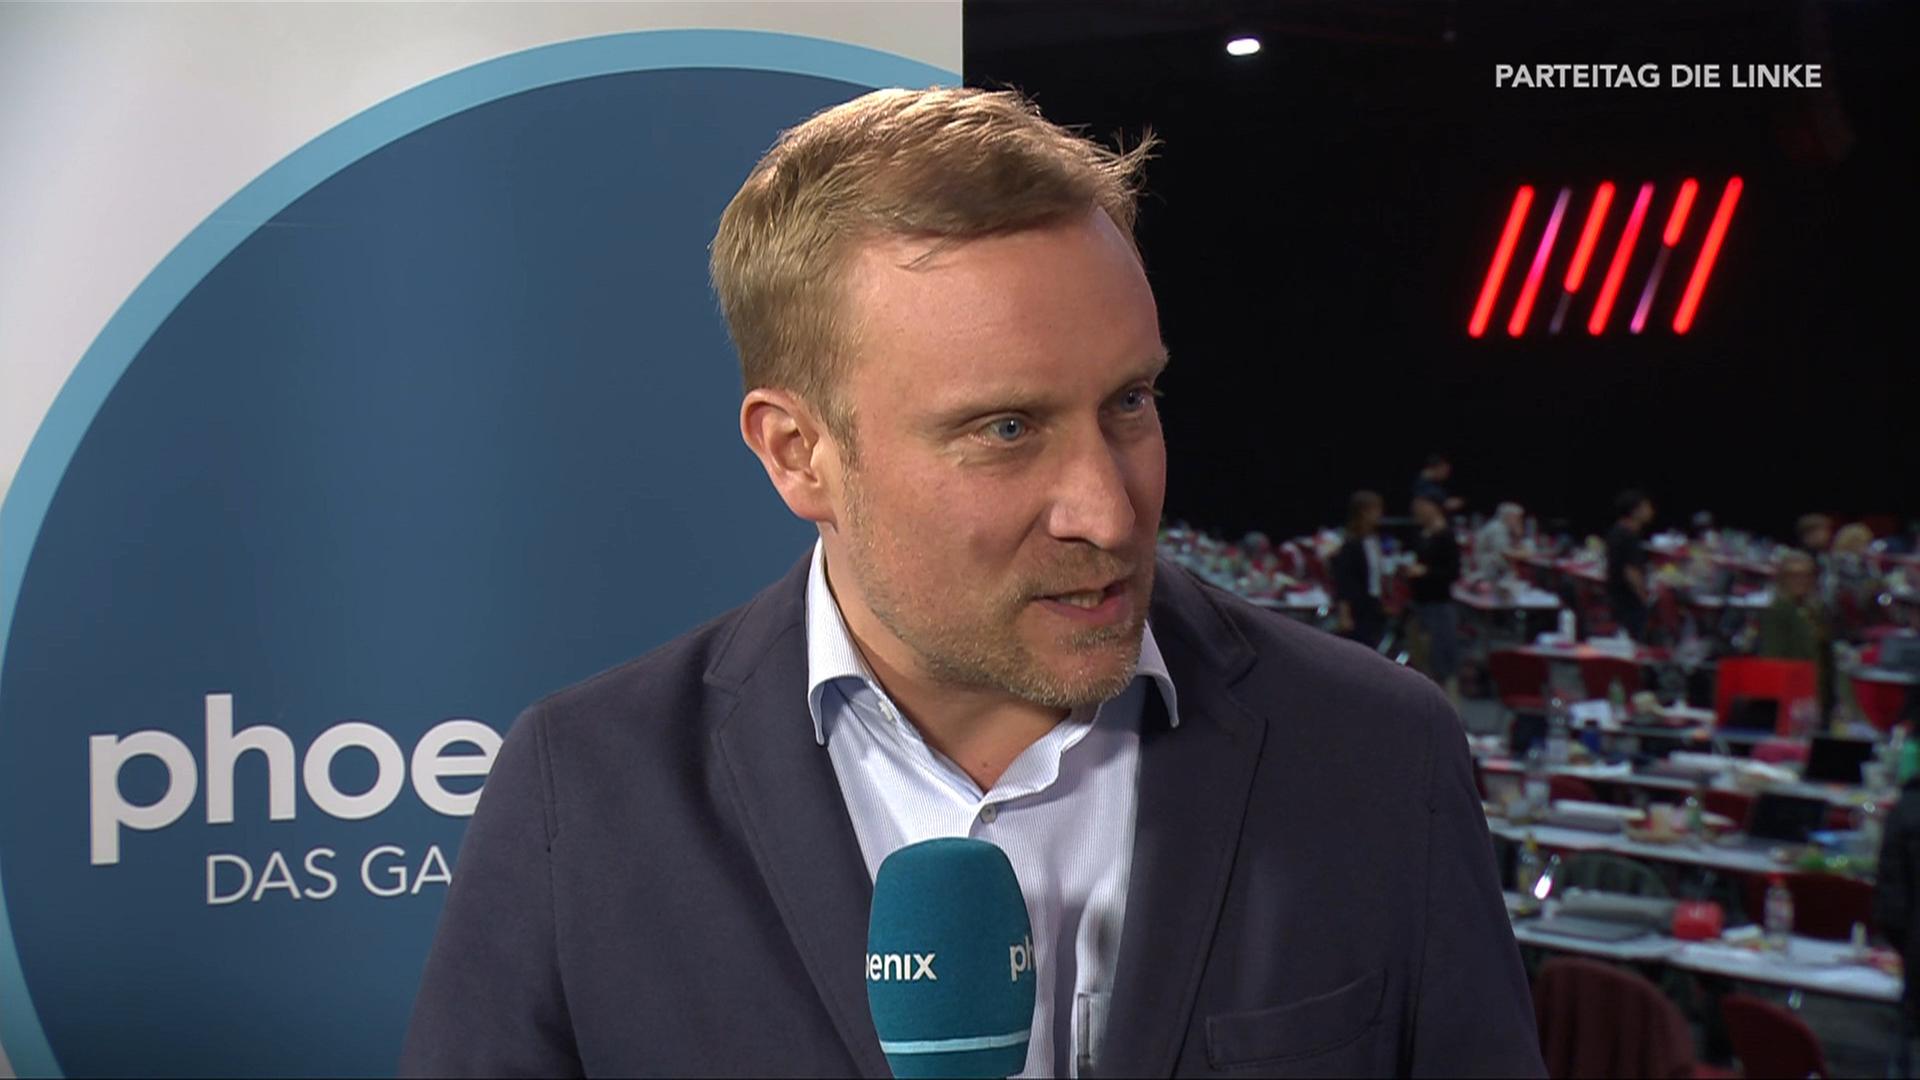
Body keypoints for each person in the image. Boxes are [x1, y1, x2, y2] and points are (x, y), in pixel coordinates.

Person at [401, 87, 1541, 1078]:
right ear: (799, 454)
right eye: (1006, 428)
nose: (1107, 512)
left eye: (1129, 403)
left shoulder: (1376, 752)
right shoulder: (582, 794)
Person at [1758, 551, 1833, 719]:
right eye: (1794, 575)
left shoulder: (1816, 611)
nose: (1801, 581)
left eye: (1807, 575)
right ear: (1783, 579)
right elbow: (1773, 658)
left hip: (1819, 693)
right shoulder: (1777, 611)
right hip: (1792, 696)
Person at [1408, 495, 1464, 703]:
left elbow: (1453, 572)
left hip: (1439, 603)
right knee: (1424, 658)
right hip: (1421, 602)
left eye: (1421, 507)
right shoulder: (1422, 533)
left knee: (1443, 659)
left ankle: (1448, 705)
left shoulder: (1446, 535)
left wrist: (1426, 572)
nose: (1416, 511)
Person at [1332, 490, 1388, 651]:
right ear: (1363, 512)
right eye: (1376, 509)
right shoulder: (1351, 544)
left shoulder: (1374, 540)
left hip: (1373, 605)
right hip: (1358, 608)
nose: (1380, 514)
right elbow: (1344, 581)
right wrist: (1344, 614)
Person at [1605, 489, 1656, 641]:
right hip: (1629, 600)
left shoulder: (1616, 531)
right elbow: (1631, 572)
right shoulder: (1628, 536)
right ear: (1635, 511)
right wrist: (1644, 598)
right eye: (1646, 507)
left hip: (1616, 596)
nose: (1650, 511)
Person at [1473, 501, 1525, 581]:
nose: (1519, 521)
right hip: (1489, 569)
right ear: (1509, 516)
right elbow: (1505, 552)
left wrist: (1518, 535)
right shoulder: (1497, 528)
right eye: (1517, 518)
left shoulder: (1503, 526)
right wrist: (1527, 554)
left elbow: (1515, 546)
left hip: (1495, 567)